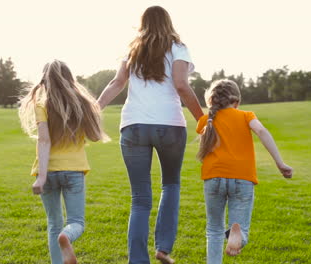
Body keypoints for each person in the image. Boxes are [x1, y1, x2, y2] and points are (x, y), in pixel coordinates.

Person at [97, 6, 204, 264]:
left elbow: (116, 83)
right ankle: (163, 248)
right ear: (169, 23)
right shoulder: (178, 48)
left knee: (140, 199)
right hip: (170, 125)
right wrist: (203, 120)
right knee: (171, 184)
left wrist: (93, 109)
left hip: (133, 126)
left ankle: (138, 260)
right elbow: (181, 85)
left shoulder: (132, 50)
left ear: (142, 24)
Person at [18, 60, 108, 264]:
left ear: (45, 81)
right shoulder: (82, 104)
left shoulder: (42, 105)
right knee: (76, 222)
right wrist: (92, 116)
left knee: (53, 223)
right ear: (70, 79)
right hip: (74, 172)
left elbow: (43, 140)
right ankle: (67, 237)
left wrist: (41, 177)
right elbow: (94, 137)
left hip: (48, 173)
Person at [196, 79, 293, 264]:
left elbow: (206, 140)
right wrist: (280, 163)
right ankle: (237, 237)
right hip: (242, 178)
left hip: (213, 177)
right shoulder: (246, 115)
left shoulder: (205, 120)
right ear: (237, 101)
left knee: (214, 229)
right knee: (241, 227)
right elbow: (262, 131)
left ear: (211, 101)